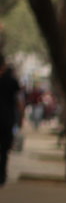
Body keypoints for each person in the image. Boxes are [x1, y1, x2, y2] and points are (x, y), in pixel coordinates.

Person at [0, 56, 23, 187]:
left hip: (6, 119)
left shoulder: (11, 81)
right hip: (7, 119)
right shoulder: (12, 81)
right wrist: (20, 118)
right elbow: (20, 101)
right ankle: (1, 176)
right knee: (4, 150)